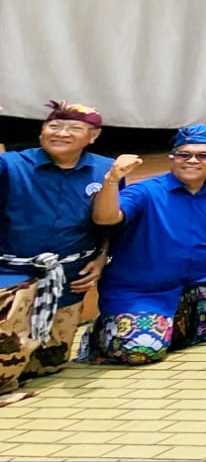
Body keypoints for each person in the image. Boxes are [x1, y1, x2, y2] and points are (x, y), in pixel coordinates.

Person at [86, 125, 206, 364]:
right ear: (172, 158)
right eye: (184, 154)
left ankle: (176, 329)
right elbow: (105, 218)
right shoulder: (146, 191)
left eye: (203, 155)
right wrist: (111, 180)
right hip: (144, 291)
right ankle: (107, 332)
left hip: (199, 283)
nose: (192, 160)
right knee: (141, 351)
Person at [0, 102, 113, 404]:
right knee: (6, 344)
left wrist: (102, 257)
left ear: (93, 136)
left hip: (68, 273)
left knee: (49, 362)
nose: (61, 133)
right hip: (12, 270)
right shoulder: (12, 164)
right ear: (41, 132)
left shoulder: (106, 169)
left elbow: (108, 223)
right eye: (54, 126)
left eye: (74, 128)